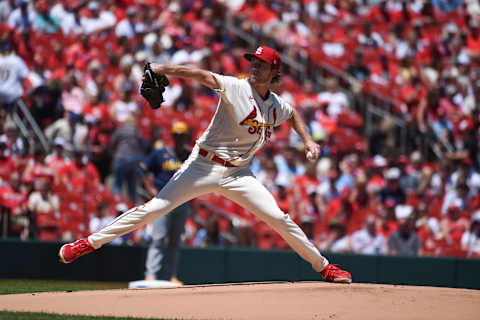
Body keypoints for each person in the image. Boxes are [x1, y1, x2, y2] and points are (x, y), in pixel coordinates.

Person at [59, 45, 352, 283]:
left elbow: (292, 114)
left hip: (239, 173)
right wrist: (161, 69)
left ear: (274, 71)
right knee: (154, 210)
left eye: (261, 64)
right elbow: (199, 75)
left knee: (279, 218)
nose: (254, 66)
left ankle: (324, 267)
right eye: (253, 61)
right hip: (202, 165)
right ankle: (87, 244)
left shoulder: (276, 104)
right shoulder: (236, 87)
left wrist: (308, 142)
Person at [140, 121, 192, 285]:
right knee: (158, 238)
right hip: (163, 201)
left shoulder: (190, 155)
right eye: (176, 136)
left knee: (175, 241)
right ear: (172, 136)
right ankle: (151, 274)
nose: (179, 139)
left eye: (182, 136)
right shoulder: (160, 153)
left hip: (181, 202)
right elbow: (142, 169)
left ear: (186, 137)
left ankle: (172, 276)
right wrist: (150, 188)